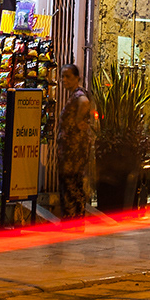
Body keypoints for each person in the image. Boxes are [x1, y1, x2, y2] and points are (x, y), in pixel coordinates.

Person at [58, 63, 97, 217]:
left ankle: (73, 219)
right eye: (62, 77)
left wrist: (79, 118)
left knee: (71, 184)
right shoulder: (75, 94)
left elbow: (85, 103)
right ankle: (74, 219)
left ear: (77, 78)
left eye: (68, 76)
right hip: (71, 151)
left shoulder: (78, 94)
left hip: (73, 152)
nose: (64, 80)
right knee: (72, 184)